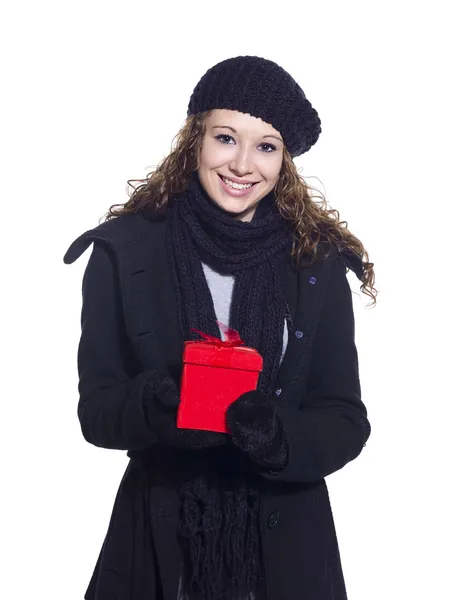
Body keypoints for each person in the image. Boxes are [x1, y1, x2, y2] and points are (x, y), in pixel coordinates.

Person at [63, 55, 376, 600]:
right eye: (226, 138)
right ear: (196, 139)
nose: (242, 164)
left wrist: (280, 438)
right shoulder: (126, 250)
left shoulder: (315, 263)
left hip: (287, 551)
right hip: (158, 546)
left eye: (266, 146)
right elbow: (97, 411)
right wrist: (158, 403)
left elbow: (345, 418)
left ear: (284, 160)